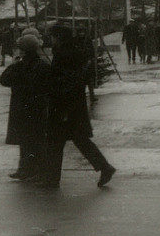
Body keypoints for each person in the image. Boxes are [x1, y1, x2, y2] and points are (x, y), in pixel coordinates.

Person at [42, 25, 116, 190]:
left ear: (59, 37)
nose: (51, 39)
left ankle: (52, 179)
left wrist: (59, 103)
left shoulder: (63, 54)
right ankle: (105, 167)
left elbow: (64, 81)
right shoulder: (71, 51)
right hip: (73, 104)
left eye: (53, 36)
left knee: (56, 141)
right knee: (79, 139)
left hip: (64, 105)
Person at [0, 34, 51, 181]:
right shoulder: (43, 65)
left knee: (26, 140)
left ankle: (27, 169)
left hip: (22, 107)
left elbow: (3, 80)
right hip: (37, 108)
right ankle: (33, 169)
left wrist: (14, 64)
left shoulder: (19, 66)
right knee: (34, 139)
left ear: (24, 51)